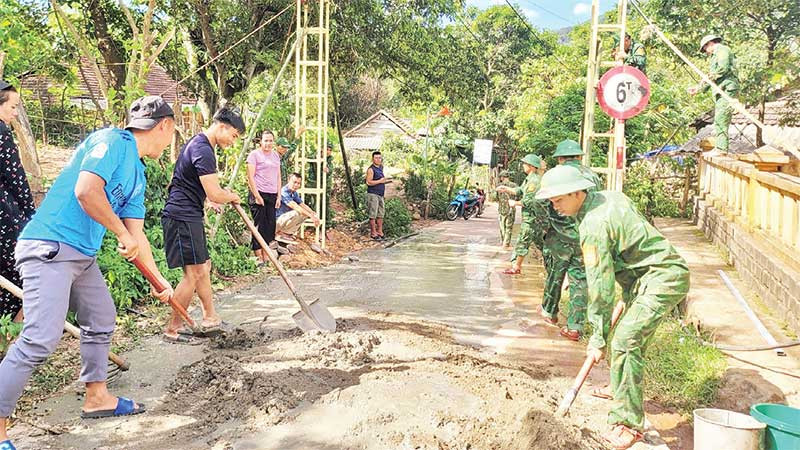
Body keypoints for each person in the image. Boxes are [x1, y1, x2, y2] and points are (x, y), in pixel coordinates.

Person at [0, 96, 176, 448]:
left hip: (81, 255)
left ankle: (97, 397)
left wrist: (159, 281)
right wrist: (121, 233)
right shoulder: (111, 141)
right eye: (172, 134)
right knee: (39, 338)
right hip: (50, 246)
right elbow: (86, 191)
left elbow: (137, 234)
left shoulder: (137, 174)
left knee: (101, 316)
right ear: (165, 126)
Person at [536, 164, 690, 450]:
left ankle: (628, 423)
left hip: (662, 277)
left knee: (625, 339)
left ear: (576, 193)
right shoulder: (611, 197)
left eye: (558, 199)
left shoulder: (592, 227)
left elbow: (601, 289)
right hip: (641, 276)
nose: (554, 206)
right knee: (626, 340)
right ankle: (620, 388)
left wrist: (597, 337)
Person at [161, 107, 244, 343]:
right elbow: (216, 193)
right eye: (234, 136)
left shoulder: (200, 144)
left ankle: (210, 318)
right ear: (222, 127)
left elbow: (191, 183)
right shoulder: (203, 149)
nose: (233, 141)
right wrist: (231, 196)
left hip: (188, 214)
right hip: (182, 216)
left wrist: (209, 199)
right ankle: (173, 329)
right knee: (194, 273)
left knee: (203, 266)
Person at [541, 140, 604, 339]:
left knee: (554, 275)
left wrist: (545, 230)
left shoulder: (555, 176)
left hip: (559, 238)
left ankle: (550, 313)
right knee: (580, 279)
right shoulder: (592, 176)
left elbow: (542, 206)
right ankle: (575, 326)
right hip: (586, 235)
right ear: (579, 157)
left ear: (560, 159)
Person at [0, 81, 35, 326]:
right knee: (26, 272)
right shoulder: (1, 132)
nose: (15, 113)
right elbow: (16, 178)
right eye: (12, 107)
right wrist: (32, 215)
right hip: (5, 217)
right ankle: (15, 338)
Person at [496, 154, 548, 275]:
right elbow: (520, 190)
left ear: (531, 166)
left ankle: (516, 267)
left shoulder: (534, 181)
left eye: (525, 164)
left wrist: (515, 203)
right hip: (532, 218)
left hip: (532, 218)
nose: (523, 166)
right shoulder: (529, 179)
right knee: (542, 245)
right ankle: (552, 265)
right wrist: (506, 189)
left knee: (522, 241)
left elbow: (530, 200)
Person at [688, 35, 739, 154]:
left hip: (727, 88)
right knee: (718, 119)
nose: (706, 51)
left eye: (705, 48)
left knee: (721, 118)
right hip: (720, 90)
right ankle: (720, 148)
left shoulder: (722, 50)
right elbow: (712, 77)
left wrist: (709, 77)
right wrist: (698, 88)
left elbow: (723, 68)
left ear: (710, 43)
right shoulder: (713, 57)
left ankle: (721, 149)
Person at [246, 130, 282, 264]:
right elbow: (250, 177)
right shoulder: (254, 155)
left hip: (272, 194)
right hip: (258, 193)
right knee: (259, 226)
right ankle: (258, 257)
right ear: (260, 141)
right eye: (265, 140)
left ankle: (266, 256)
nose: (268, 143)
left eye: (270, 140)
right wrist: (256, 195)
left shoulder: (275, 156)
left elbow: (278, 176)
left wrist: (279, 196)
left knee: (270, 225)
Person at [275, 172, 321, 241]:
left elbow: (302, 204)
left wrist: (312, 213)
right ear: (289, 180)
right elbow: (295, 206)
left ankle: (286, 233)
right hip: (277, 221)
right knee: (298, 212)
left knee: (305, 214)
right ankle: (281, 233)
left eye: (298, 183)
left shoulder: (294, 193)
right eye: (294, 182)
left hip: (284, 220)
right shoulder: (283, 192)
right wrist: (311, 216)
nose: (296, 185)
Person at [365, 151, 390, 240]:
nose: (378, 159)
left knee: (380, 214)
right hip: (373, 194)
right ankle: (373, 233)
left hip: (380, 194)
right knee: (373, 214)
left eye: (380, 158)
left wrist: (386, 181)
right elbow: (368, 182)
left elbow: (381, 180)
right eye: (376, 158)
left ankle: (380, 231)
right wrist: (380, 181)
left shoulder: (381, 167)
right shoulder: (371, 169)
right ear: (372, 159)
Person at [495, 170, 516, 249]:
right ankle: (506, 243)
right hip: (511, 209)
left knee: (502, 227)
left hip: (501, 209)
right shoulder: (514, 186)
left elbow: (495, 198)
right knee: (509, 227)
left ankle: (504, 241)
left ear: (502, 177)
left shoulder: (499, 186)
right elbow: (518, 196)